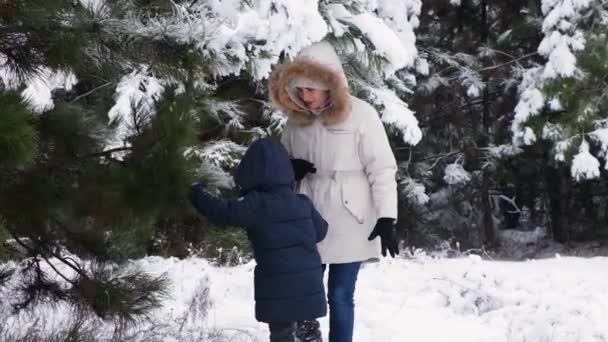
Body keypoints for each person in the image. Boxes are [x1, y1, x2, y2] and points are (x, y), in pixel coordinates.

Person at [269, 40, 400, 342]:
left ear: (328, 86)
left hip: (350, 215)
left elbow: (381, 168)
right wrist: (290, 169)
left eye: (310, 90)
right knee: (304, 291)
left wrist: (386, 217)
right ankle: (308, 337)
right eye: (299, 90)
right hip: (307, 215)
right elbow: (278, 168)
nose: (305, 97)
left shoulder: (362, 115)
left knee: (340, 294)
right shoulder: (294, 122)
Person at [189, 137, 328, 342]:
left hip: (277, 284)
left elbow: (222, 213)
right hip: (309, 282)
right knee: (307, 328)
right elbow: (321, 231)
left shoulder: (255, 205)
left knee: (282, 333)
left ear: (250, 171)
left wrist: (197, 193)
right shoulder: (302, 202)